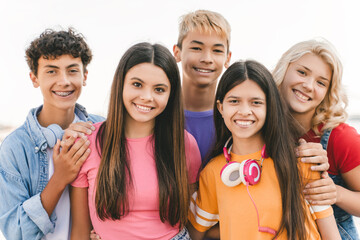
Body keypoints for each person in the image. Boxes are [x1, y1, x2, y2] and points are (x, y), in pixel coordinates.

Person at [187, 60, 340, 239]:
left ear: (270, 107)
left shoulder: (302, 161)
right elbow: (195, 233)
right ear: (221, 108)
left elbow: (331, 235)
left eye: (256, 103)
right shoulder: (213, 173)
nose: (244, 111)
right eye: (234, 101)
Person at [70, 42, 201, 240]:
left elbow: (191, 215)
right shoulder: (88, 142)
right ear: (121, 84)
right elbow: (79, 231)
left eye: (159, 89)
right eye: (137, 85)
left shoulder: (184, 144)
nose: (147, 97)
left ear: (170, 94)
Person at [0, 28, 104, 239]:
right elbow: (15, 233)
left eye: (72, 70)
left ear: (84, 76)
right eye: (51, 71)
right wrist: (60, 178)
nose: (64, 81)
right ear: (34, 78)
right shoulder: (15, 147)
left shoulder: (103, 131)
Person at [273, 39, 360, 240]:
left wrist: (336, 193)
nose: (308, 85)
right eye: (302, 72)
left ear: (328, 92)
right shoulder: (260, 127)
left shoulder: (340, 138)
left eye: (321, 82)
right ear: (283, 70)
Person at [173, 9, 232, 164]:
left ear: (228, 58)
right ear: (177, 52)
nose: (207, 59)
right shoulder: (160, 112)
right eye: (196, 48)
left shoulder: (233, 118)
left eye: (217, 51)